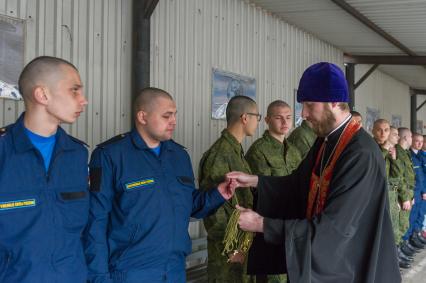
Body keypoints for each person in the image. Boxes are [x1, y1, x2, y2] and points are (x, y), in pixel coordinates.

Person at [228, 62, 401, 283]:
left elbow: (334, 230)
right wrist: (254, 181)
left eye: (309, 105)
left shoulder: (360, 153)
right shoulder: (326, 140)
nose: (304, 114)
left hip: (347, 267)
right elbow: (298, 185)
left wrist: (261, 224)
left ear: (335, 102)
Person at [84, 87, 236, 283]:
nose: (174, 121)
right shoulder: (111, 156)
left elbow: (186, 205)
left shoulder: (179, 156)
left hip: (174, 270)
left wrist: (218, 194)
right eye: (166, 116)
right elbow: (95, 222)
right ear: (142, 116)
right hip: (131, 271)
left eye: (174, 115)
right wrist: (98, 278)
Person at [0, 56, 89, 282]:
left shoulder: (77, 154)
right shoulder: (3, 151)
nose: (84, 100)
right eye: (74, 90)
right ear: (42, 95)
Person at [198, 95, 259, 283]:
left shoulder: (235, 151)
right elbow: (212, 209)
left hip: (242, 244)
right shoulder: (220, 154)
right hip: (227, 254)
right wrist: (231, 248)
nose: (258, 121)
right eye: (257, 116)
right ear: (245, 117)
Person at [245, 100, 301, 283]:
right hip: (267, 228)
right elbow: (260, 194)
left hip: (291, 226)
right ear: (267, 120)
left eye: (288, 118)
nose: (284, 123)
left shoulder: (294, 151)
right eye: (278, 118)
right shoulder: (258, 151)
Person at [372, 120, 408, 268]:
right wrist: (385, 151)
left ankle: (389, 262)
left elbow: (396, 176)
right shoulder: (372, 146)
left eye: (386, 130)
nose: (383, 133)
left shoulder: (389, 149)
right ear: (373, 130)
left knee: (392, 231)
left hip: (390, 195)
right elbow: (375, 169)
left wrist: (393, 159)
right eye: (379, 130)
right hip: (376, 196)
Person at [396, 127, 418, 258]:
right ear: (405, 138)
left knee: (404, 225)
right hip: (400, 196)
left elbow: (409, 178)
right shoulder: (398, 152)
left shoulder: (405, 153)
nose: (412, 139)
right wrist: (404, 197)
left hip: (408, 194)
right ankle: (396, 254)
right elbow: (399, 178)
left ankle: (400, 249)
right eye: (410, 137)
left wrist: (411, 196)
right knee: (399, 226)